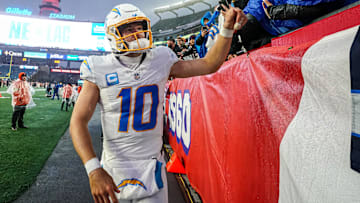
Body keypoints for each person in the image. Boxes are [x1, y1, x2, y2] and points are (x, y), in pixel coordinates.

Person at [70, 3, 246, 203]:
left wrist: (226, 29)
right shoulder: (99, 67)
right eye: (128, 29)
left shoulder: (160, 59)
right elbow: (78, 121)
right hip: (113, 167)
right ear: (113, 34)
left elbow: (209, 64)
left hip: (151, 165)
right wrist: (93, 170)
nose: (136, 33)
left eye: (139, 27)